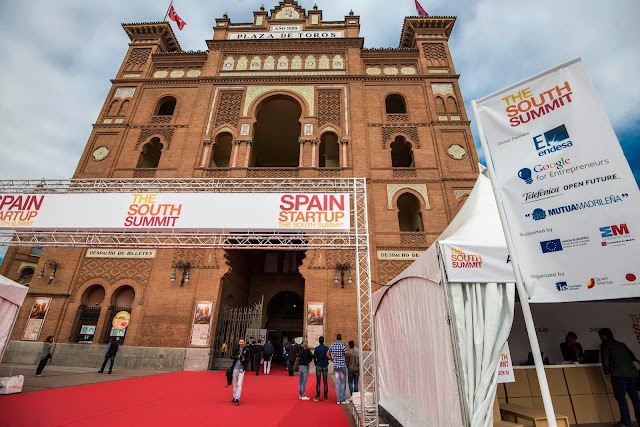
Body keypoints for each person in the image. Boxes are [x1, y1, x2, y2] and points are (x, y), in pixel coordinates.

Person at [599, 327, 640, 427]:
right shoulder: (622, 345)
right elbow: (632, 357)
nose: (600, 338)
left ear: (604, 336)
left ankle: (626, 422)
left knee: (621, 398)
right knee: (635, 398)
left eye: (600, 336)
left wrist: (606, 372)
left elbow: (605, 359)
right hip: (632, 374)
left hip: (618, 375)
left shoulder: (605, 344)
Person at [328, 333, 348, 404]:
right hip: (342, 365)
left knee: (338, 382)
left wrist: (332, 359)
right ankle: (342, 399)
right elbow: (346, 354)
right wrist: (344, 357)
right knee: (343, 383)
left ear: (336, 338)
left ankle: (338, 399)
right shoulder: (342, 345)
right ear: (341, 338)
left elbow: (327, 354)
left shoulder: (332, 345)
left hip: (336, 366)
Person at [230, 338, 250, 406]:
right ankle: (234, 397)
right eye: (240, 342)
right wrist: (237, 357)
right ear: (238, 342)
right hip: (235, 368)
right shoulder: (236, 349)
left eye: (242, 342)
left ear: (244, 343)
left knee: (239, 384)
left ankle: (237, 398)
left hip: (242, 368)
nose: (241, 343)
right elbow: (231, 356)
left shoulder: (247, 350)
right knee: (234, 384)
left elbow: (249, 358)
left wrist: (244, 359)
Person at [313, 336, 330, 401]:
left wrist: (315, 363)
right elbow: (328, 356)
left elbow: (315, 357)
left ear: (319, 341)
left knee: (318, 381)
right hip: (325, 365)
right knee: (325, 381)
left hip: (319, 365)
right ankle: (325, 396)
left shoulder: (317, 348)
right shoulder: (326, 348)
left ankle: (318, 396)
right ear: (323, 341)